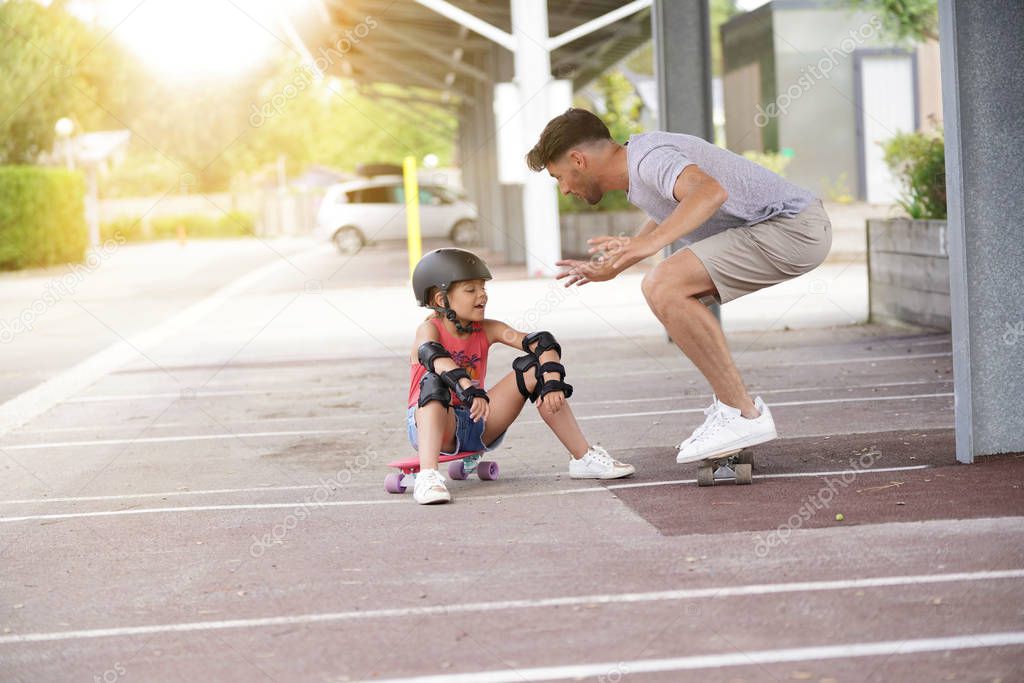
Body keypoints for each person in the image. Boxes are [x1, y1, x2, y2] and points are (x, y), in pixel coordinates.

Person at [526, 108, 832, 465]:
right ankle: (731, 407)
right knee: (668, 293)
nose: (564, 190)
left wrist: (649, 245)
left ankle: (743, 414)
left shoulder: (648, 159)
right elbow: (668, 210)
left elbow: (709, 192)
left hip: (792, 227)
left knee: (664, 284)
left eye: (559, 177)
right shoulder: (639, 167)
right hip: (788, 230)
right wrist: (615, 265)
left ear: (578, 159)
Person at [406, 248, 635, 505]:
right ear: (440, 299)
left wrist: (551, 380)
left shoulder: (487, 329)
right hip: (436, 426)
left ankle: (583, 458)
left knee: (533, 369)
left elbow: (541, 343)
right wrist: (466, 386)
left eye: (483, 288)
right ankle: (428, 476)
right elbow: (431, 353)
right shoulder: (429, 329)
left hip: (479, 421)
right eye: (470, 290)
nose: (482, 295)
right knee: (433, 381)